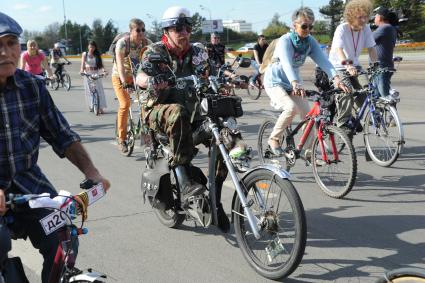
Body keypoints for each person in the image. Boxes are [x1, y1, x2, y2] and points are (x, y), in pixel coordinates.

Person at [0, 12, 110, 283]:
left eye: (11, 42)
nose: (5, 52)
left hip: (28, 184)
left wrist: (92, 173)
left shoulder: (32, 87)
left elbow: (62, 135)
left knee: (64, 237)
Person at [136, 6, 246, 233]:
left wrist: (236, 79)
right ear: (167, 29)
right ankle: (185, 182)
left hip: (193, 113)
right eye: (178, 28)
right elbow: (140, 75)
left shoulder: (198, 51)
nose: (184, 32)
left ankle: (215, 201)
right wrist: (151, 81)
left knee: (224, 128)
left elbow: (214, 71)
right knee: (177, 111)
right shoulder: (154, 52)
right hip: (158, 111)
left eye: (187, 27)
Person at [263, 7, 349, 157]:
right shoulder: (285, 40)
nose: (308, 29)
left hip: (292, 83)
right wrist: (295, 82)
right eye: (304, 26)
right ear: (294, 25)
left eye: (311, 26)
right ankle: (273, 138)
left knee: (308, 115)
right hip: (275, 82)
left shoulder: (310, 42)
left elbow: (325, 62)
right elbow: (286, 64)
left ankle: (308, 152)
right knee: (291, 108)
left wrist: (336, 78)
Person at [328, 0, 377, 130]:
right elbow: (339, 49)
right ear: (351, 16)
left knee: (368, 89)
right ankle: (343, 124)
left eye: (366, 16)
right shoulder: (342, 28)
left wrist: (376, 64)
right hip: (338, 66)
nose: (364, 20)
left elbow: (372, 48)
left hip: (355, 66)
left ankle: (361, 114)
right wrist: (348, 66)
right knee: (346, 91)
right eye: (360, 17)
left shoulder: (365, 29)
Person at [112, 18, 152, 154]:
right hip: (120, 76)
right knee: (125, 104)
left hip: (138, 77)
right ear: (131, 31)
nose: (141, 33)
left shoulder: (147, 43)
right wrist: (124, 82)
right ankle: (122, 139)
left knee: (147, 103)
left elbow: (157, 54)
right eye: (138, 30)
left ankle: (148, 137)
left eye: (143, 30)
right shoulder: (123, 43)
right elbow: (119, 64)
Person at [373, 6, 398, 99]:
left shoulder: (384, 28)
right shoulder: (389, 28)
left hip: (381, 67)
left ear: (379, 17)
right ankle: (378, 113)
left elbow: (367, 41)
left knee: (385, 96)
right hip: (380, 67)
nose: (374, 18)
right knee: (375, 97)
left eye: (375, 16)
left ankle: (392, 113)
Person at [80, 40, 107, 113]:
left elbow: (101, 65)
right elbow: (82, 64)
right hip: (88, 74)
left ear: (95, 48)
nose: (92, 48)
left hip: (96, 73)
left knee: (99, 90)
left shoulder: (97, 55)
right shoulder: (85, 54)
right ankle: (92, 106)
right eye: (90, 47)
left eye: (93, 47)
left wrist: (104, 71)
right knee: (89, 91)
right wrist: (82, 71)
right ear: (88, 47)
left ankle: (100, 107)